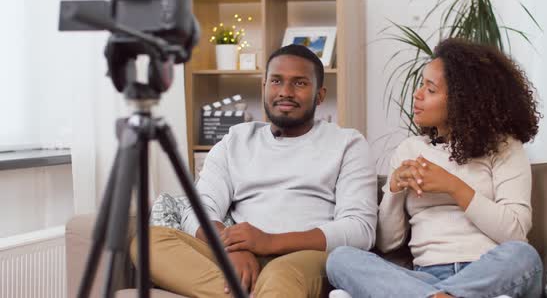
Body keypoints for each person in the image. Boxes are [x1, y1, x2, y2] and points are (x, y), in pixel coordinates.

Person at [130, 44, 377, 298]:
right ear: (264, 87)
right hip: (242, 254)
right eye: (276, 81)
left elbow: (360, 230)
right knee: (148, 242)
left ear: (320, 94)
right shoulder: (234, 140)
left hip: (306, 258)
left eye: (300, 83)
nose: (285, 92)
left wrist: (269, 242)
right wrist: (232, 247)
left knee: (280, 276)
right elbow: (200, 207)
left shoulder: (348, 143)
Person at [326, 38, 544, 298]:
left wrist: (454, 187)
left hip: (487, 272)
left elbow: (516, 233)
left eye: (430, 90)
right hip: (424, 276)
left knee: (524, 256)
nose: (417, 95)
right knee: (340, 259)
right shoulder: (410, 150)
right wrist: (394, 189)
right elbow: (388, 244)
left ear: (464, 101)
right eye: (421, 85)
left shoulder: (505, 147)